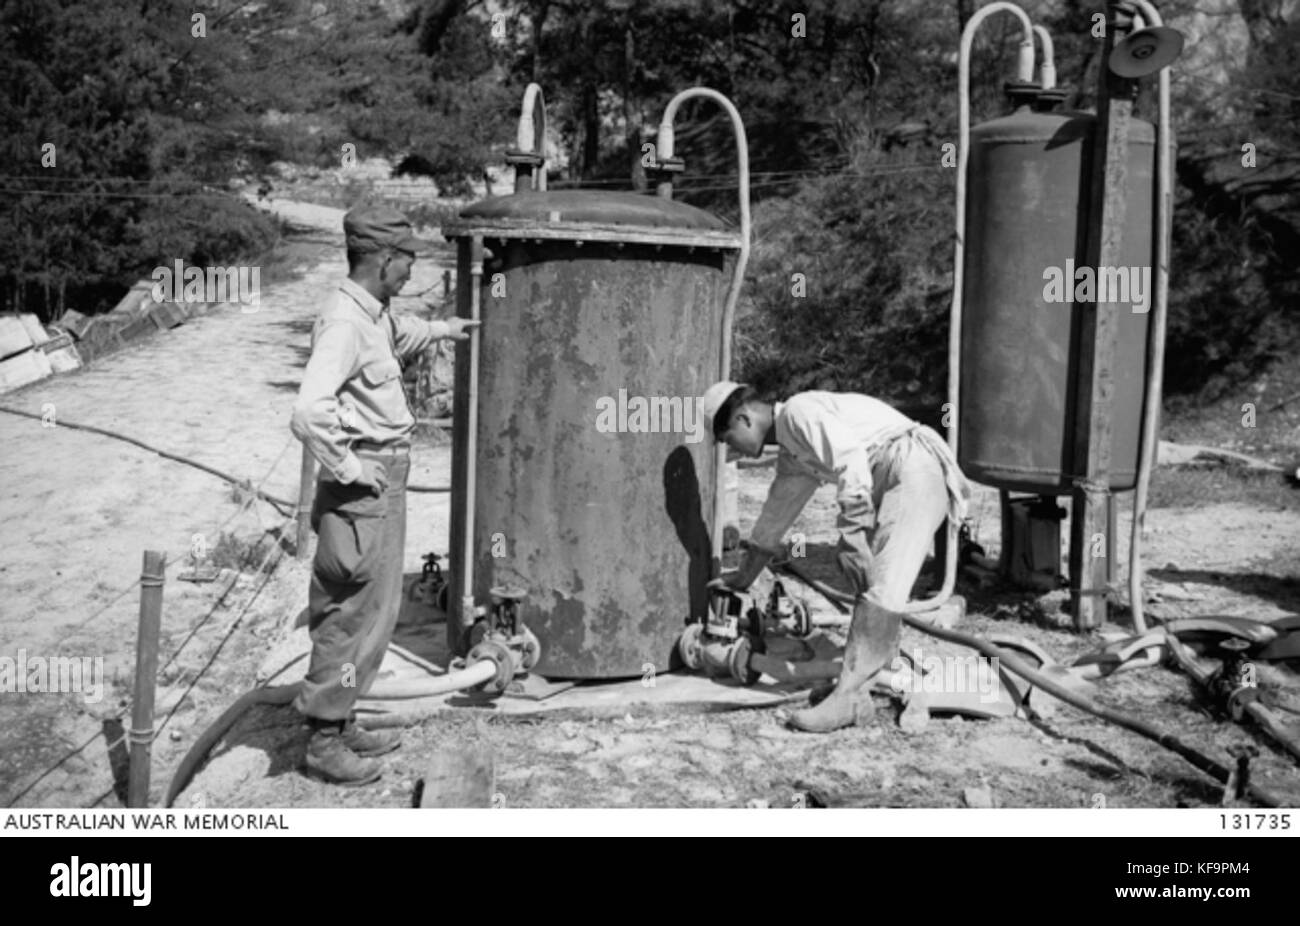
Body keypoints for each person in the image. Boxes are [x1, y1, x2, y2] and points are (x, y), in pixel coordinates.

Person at [290, 205, 478, 784]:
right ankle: (323, 741)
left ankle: (342, 719)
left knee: (376, 613)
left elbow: (401, 334)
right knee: (349, 613)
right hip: (363, 487)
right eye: (407, 263)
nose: (410, 274)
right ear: (383, 258)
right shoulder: (345, 323)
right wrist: (351, 467)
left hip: (380, 482)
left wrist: (449, 329)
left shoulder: (373, 314)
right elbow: (308, 410)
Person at [701, 382, 972, 733]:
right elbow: (775, 515)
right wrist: (744, 577)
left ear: (744, 418)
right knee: (873, 585)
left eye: (726, 437)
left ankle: (850, 697)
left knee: (883, 588)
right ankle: (869, 681)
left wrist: (853, 531)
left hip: (913, 465)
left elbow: (849, 457)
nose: (728, 448)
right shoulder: (794, 455)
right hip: (895, 474)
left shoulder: (799, 412)